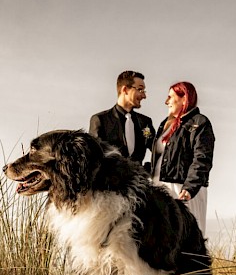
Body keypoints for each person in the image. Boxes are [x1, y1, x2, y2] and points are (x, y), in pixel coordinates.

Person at [150, 81, 214, 234]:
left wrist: (190, 187)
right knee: (161, 238)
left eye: (170, 97)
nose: (166, 102)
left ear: (184, 98)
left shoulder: (200, 123)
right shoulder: (165, 125)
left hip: (183, 190)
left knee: (188, 236)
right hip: (159, 188)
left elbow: (202, 158)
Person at [89, 70, 155, 164]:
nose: (144, 96)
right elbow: (94, 156)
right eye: (140, 89)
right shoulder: (100, 120)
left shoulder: (145, 122)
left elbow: (156, 149)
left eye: (144, 91)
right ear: (125, 90)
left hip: (137, 177)